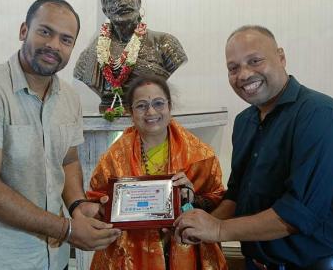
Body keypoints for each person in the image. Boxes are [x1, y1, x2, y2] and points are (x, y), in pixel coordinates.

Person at [0, 0, 121, 270]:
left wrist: (77, 205)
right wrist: (68, 230)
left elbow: (68, 160)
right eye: (45, 32)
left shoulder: (69, 98)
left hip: (55, 259)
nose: (54, 45)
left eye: (66, 39)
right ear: (23, 31)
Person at [174, 26, 333, 270]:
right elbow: (237, 196)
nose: (243, 75)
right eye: (233, 68)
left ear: (281, 57)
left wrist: (218, 229)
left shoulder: (320, 114)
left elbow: (298, 214)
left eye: (254, 61)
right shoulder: (245, 122)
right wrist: (199, 224)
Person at [86, 75, 228, 270]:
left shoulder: (199, 155)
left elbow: (218, 200)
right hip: (130, 253)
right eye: (141, 105)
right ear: (131, 112)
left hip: (184, 247)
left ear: (170, 107)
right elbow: (95, 200)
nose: (151, 112)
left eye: (158, 103)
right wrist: (105, 208)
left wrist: (191, 199)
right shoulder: (113, 158)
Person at [74, 0, 187, 115]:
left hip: (151, 117)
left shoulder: (165, 44)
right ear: (105, 11)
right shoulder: (90, 56)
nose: (122, 3)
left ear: (138, 3)